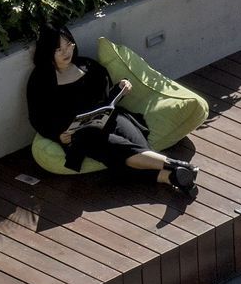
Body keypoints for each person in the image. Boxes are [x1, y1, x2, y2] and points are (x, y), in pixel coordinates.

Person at [25, 24, 197, 196]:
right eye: (58, 49)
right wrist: (58, 135)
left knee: (134, 149)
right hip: (82, 134)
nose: (66, 52)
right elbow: (37, 117)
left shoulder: (88, 66)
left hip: (110, 118)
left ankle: (172, 177)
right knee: (121, 150)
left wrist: (120, 88)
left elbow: (106, 99)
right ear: (48, 51)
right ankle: (177, 165)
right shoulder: (40, 79)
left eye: (69, 45)